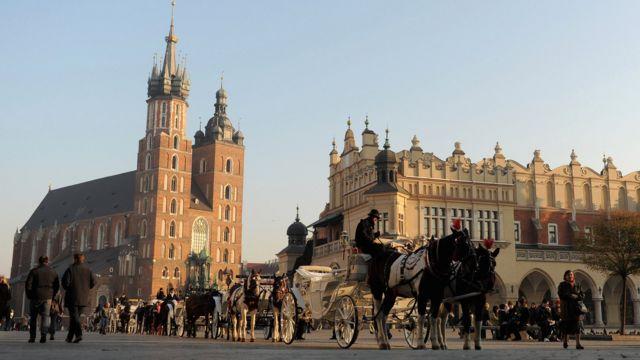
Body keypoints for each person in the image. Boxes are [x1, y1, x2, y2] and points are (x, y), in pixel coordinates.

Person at [62, 253, 96, 343]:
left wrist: (70, 289)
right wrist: (86, 289)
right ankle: (69, 337)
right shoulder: (88, 270)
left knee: (74, 317)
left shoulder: (70, 269)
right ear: (83, 259)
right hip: (83, 298)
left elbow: (65, 283)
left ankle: (79, 334)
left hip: (72, 297)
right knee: (75, 318)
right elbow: (93, 282)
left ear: (75, 259)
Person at [25, 256, 60, 343]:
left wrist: (29, 295)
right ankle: (43, 336)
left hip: (35, 297)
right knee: (45, 317)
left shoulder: (34, 271)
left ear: (39, 262)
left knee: (33, 318)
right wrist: (53, 296)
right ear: (47, 262)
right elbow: (57, 286)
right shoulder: (53, 272)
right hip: (47, 297)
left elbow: (28, 284)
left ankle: (32, 337)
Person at [558, 270, 584, 350]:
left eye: (571, 275)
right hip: (566, 308)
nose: (570, 276)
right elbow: (560, 294)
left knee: (578, 326)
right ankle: (565, 341)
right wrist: (570, 296)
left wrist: (577, 297)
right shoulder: (562, 285)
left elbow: (582, 295)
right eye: (568, 275)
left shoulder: (577, 285)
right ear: (565, 276)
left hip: (576, 308)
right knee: (566, 325)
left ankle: (578, 343)